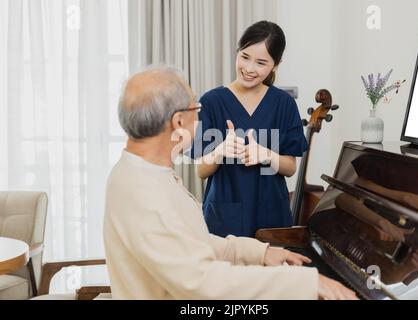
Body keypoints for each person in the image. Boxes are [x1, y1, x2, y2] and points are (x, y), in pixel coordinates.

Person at [103, 65, 357, 300]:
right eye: (196, 109)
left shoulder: (145, 173)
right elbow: (203, 282)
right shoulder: (143, 192)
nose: (200, 117)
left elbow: (192, 242)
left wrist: (260, 253)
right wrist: (305, 283)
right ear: (179, 122)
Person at [191, 21, 307, 238]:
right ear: (238, 51)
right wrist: (219, 151)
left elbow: (290, 167)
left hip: (271, 214)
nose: (250, 69)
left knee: (271, 270)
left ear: (276, 64)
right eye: (245, 57)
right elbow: (200, 171)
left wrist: (266, 155)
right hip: (224, 216)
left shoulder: (284, 104)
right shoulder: (211, 102)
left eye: (261, 62)